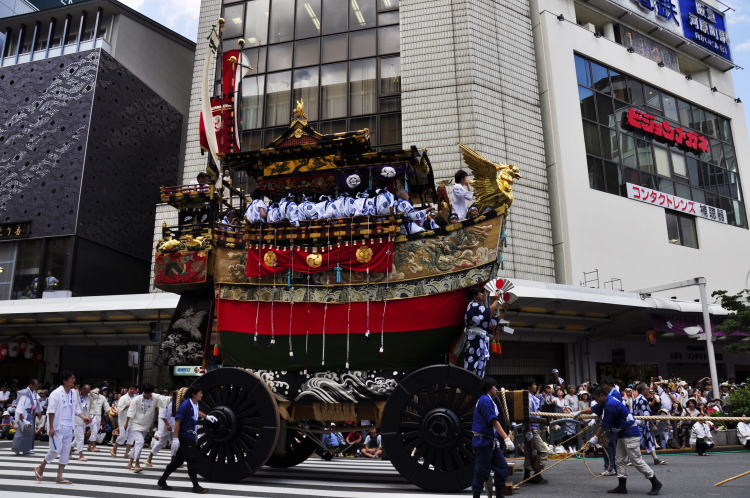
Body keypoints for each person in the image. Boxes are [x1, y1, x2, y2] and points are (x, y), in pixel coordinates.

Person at [583, 386, 662, 495]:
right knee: (619, 460)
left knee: (636, 460)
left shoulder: (610, 404)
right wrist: (579, 413)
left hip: (630, 433)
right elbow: (593, 408)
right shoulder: (607, 400)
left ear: (601, 396)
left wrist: (595, 437)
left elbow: (605, 425)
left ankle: (655, 482)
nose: (595, 400)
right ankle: (622, 486)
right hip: (622, 433)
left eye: (596, 398)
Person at [34, 371, 91, 485]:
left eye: (74, 379)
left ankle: (59, 476)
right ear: (65, 380)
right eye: (71, 379)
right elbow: (51, 411)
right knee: (55, 450)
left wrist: (84, 417)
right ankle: (41, 467)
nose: (73, 381)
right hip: (57, 426)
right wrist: (51, 428)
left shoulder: (74, 393)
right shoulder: (56, 393)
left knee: (65, 451)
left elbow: (76, 409)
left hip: (69, 426)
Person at [158, 387, 217, 493]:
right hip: (185, 436)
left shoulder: (195, 404)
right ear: (194, 394)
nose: (201, 394)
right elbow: (177, 421)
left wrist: (207, 416)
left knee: (177, 462)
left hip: (191, 436)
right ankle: (195, 486)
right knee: (192, 460)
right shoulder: (185, 405)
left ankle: (162, 480)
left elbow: (196, 412)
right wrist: (175, 439)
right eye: (200, 392)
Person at [471, 377, 513, 498]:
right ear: (490, 388)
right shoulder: (485, 400)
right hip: (483, 442)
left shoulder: (489, 400)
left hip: (491, 441)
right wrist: (506, 438)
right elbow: (493, 421)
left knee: (502, 468)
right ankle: (476, 496)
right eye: (495, 387)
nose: (496, 389)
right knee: (482, 472)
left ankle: (499, 495)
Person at [125, 383, 169, 473]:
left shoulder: (155, 397)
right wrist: (126, 423)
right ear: (143, 392)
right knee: (140, 442)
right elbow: (130, 411)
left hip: (146, 425)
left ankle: (130, 463)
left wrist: (176, 396)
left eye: (149, 393)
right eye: (146, 393)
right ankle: (137, 463)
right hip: (135, 423)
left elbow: (165, 399)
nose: (148, 395)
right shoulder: (136, 399)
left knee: (138, 443)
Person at [463, 286, 500, 379]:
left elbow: (491, 324)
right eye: (481, 293)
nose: (483, 295)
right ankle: (468, 383)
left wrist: (501, 313)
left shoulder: (480, 307)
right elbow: (485, 313)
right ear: (475, 295)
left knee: (481, 365)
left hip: (481, 339)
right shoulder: (472, 305)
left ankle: (478, 384)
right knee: (472, 362)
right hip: (474, 339)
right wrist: (496, 300)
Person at [632, 383, 666, 466]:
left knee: (649, 440)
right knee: (636, 443)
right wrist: (653, 425)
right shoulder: (642, 400)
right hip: (640, 425)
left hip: (641, 424)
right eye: (647, 388)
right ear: (644, 390)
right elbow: (646, 415)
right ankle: (631, 460)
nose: (649, 390)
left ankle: (655, 459)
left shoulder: (638, 399)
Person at [523, 379, 548, 484]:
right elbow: (528, 414)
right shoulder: (528, 397)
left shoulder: (533, 397)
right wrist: (529, 430)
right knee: (543, 451)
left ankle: (527, 475)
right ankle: (536, 474)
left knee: (529, 452)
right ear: (529, 386)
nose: (536, 386)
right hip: (531, 428)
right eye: (534, 384)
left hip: (533, 427)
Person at [12, 378, 40, 455]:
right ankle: (16, 448)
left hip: (31, 414)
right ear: (31, 385)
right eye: (35, 385)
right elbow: (20, 404)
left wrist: (37, 412)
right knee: (21, 432)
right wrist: (20, 415)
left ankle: (26, 449)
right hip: (25, 414)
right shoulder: (25, 393)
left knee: (29, 432)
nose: (36, 387)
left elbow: (36, 403)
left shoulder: (33, 393)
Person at [146, 393, 175, 467]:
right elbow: (162, 415)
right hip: (165, 425)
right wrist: (167, 424)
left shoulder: (178, 402)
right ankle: (149, 458)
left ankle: (174, 461)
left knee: (175, 442)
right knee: (161, 442)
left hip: (173, 424)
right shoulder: (165, 401)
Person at [112, 384, 137, 458]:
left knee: (131, 437)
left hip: (133, 420)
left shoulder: (136, 398)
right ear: (128, 389)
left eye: (134, 389)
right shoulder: (123, 398)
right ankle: (114, 449)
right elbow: (119, 409)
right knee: (122, 436)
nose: (132, 391)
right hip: (123, 420)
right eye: (131, 389)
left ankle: (126, 453)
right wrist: (127, 405)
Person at [86, 387, 111, 452]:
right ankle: (93, 446)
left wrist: (109, 415)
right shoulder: (90, 396)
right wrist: (92, 392)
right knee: (94, 431)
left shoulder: (102, 397)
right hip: (91, 416)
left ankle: (89, 446)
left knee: (95, 432)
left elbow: (107, 407)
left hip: (98, 417)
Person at [72, 384, 91, 461]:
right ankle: (80, 455)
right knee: (80, 438)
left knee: (77, 439)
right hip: (76, 419)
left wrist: (88, 418)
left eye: (88, 391)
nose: (87, 393)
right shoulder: (75, 394)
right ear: (82, 390)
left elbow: (87, 409)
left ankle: (68, 451)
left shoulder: (89, 397)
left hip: (84, 419)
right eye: (86, 391)